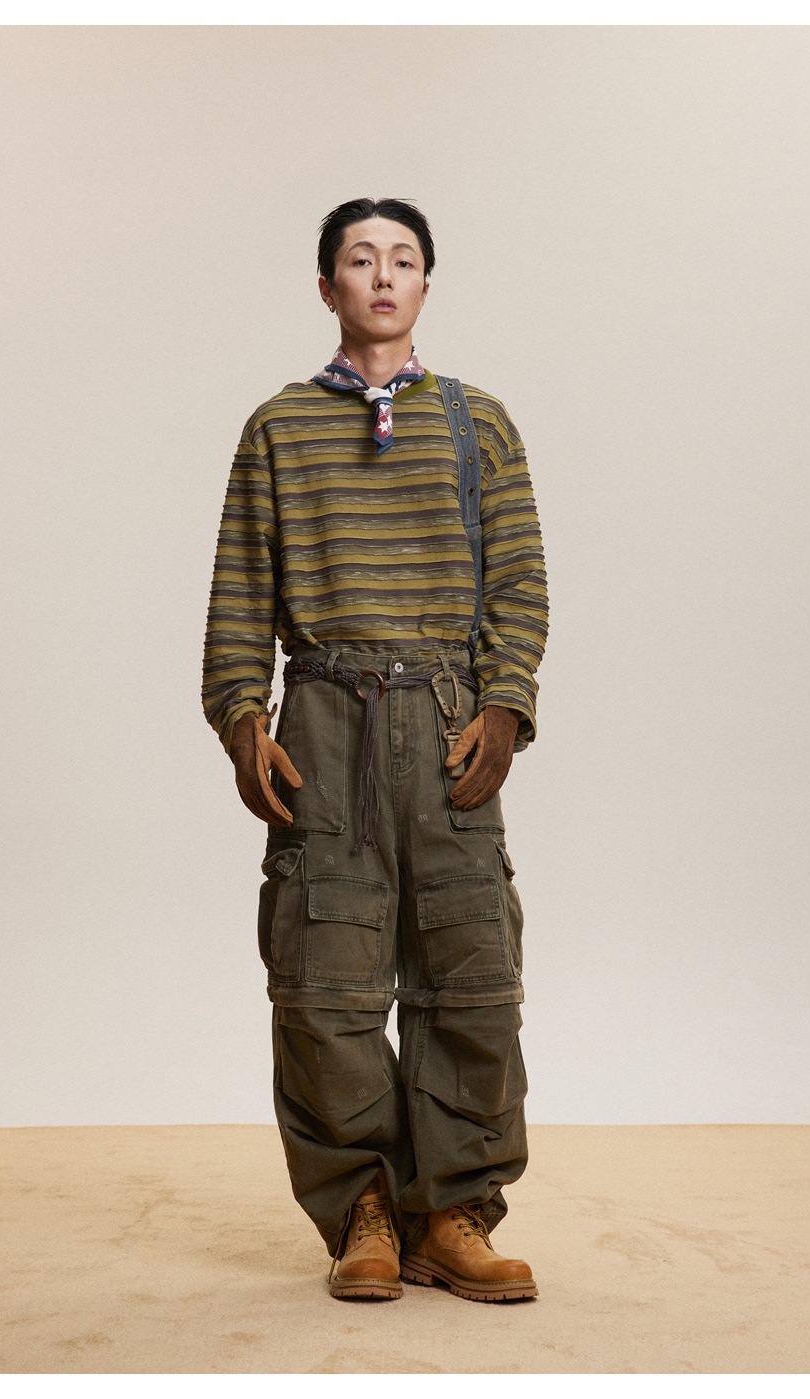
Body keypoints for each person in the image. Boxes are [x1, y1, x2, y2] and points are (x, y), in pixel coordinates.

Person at [202, 197, 548, 1303]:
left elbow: (519, 580)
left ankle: (453, 1212)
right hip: (325, 721)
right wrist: (242, 718)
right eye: (361, 259)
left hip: (446, 722)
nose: (383, 276)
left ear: (426, 285)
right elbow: (241, 589)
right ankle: (363, 1208)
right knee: (324, 978)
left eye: (403, 259)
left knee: (471, 973)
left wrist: (504, 707)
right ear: (328, 286)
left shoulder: (477, 423)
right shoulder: (279, 426)